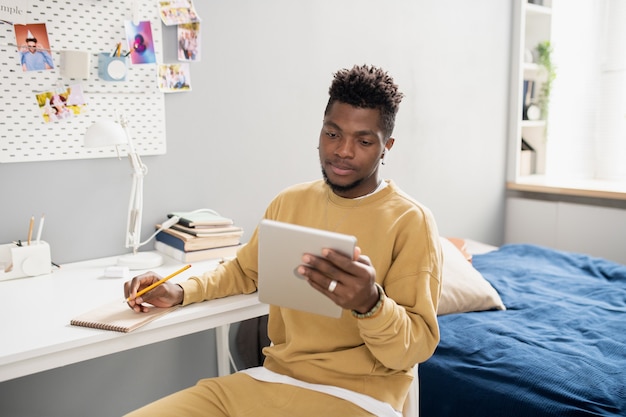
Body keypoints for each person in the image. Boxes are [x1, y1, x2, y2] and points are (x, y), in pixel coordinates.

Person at [123, 64, 442, 417]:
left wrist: (371, 304)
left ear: (386, 147)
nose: (343, 151)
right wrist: (179, 291)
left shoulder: (411, 221)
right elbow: (245, 272)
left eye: (364, 141)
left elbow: (411, 351)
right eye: (332, 134)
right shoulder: (289, 202)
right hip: (274, 379)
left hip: (357, 398)